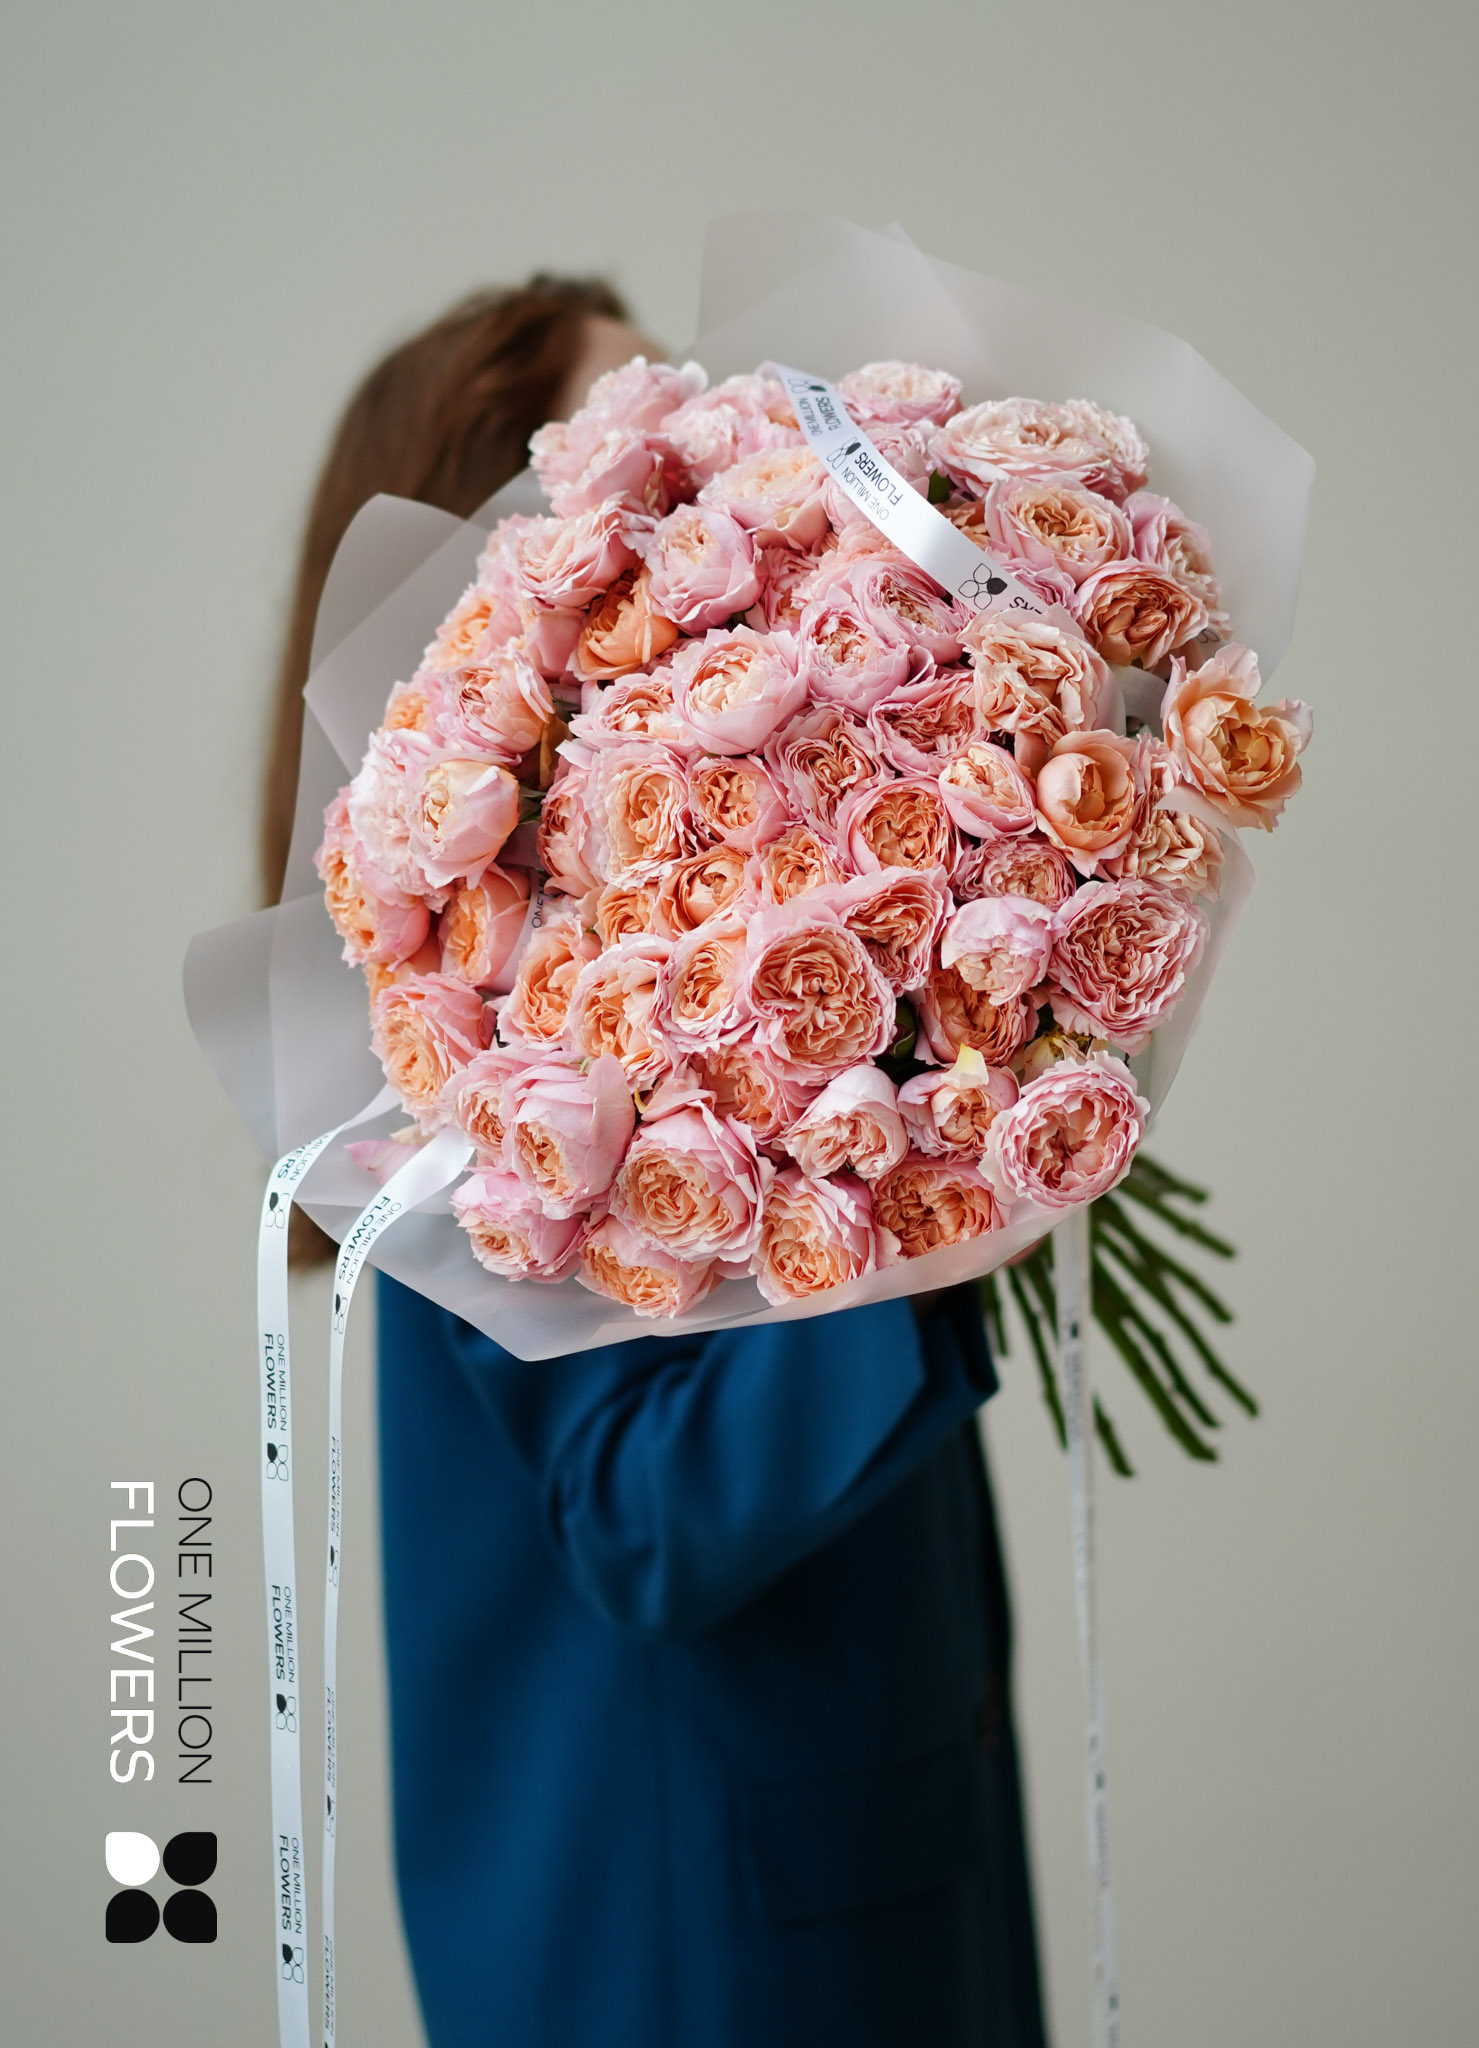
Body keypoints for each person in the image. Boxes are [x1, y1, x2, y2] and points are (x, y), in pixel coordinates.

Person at [263, 278, 1049, 2048]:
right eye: (642, 465)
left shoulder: (638, 955)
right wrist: (936, 1208)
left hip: (814, 1874)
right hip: (707, 1940)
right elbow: (641, 1517)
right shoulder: (497, 1026)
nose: (711, 475)